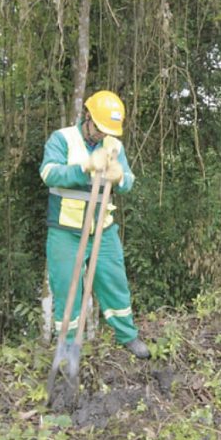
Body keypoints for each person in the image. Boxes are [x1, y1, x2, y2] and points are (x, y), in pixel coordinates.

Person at [39, 90, 150, 359]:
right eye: (99, 128)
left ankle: (128, 336)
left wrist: (120, 176)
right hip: (66, 230)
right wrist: (85, 167)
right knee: (67, 290)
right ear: (87, 117)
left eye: (107, 130)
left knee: (115, 282)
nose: (102, 134)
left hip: (103, 228)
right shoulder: (62, 138)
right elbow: (48, 172)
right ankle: (67, 347)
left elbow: (128, 183)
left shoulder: (114, 145)